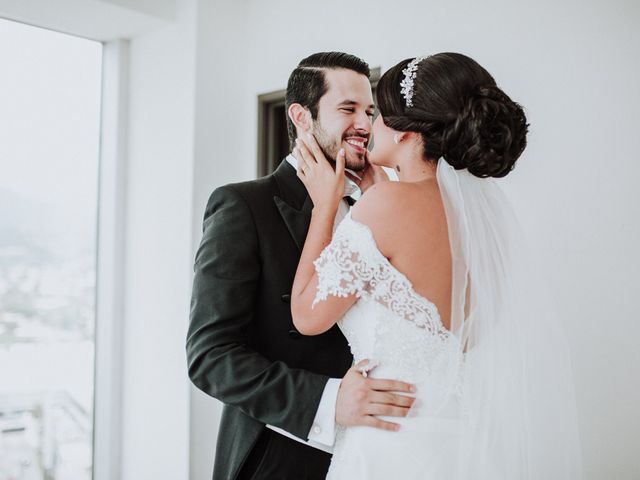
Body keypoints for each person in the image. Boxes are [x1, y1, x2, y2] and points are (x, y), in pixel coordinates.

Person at [291, 52, 583, 479]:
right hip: (460, 443)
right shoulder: (484, 222)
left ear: (408, 133)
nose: (370, 125)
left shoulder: (385, 204)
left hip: (392, 443)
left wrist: (324, 206)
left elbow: (306, 315)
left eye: (379, 114)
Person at [186, 52, 416, 480]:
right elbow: (210, 356)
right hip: (281, 460)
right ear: (302, 117)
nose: (364, 125)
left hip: (385, 452)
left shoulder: (382, 206)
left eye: (370, 111)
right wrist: (329, 402)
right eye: (347, 109)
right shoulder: (243, 205)